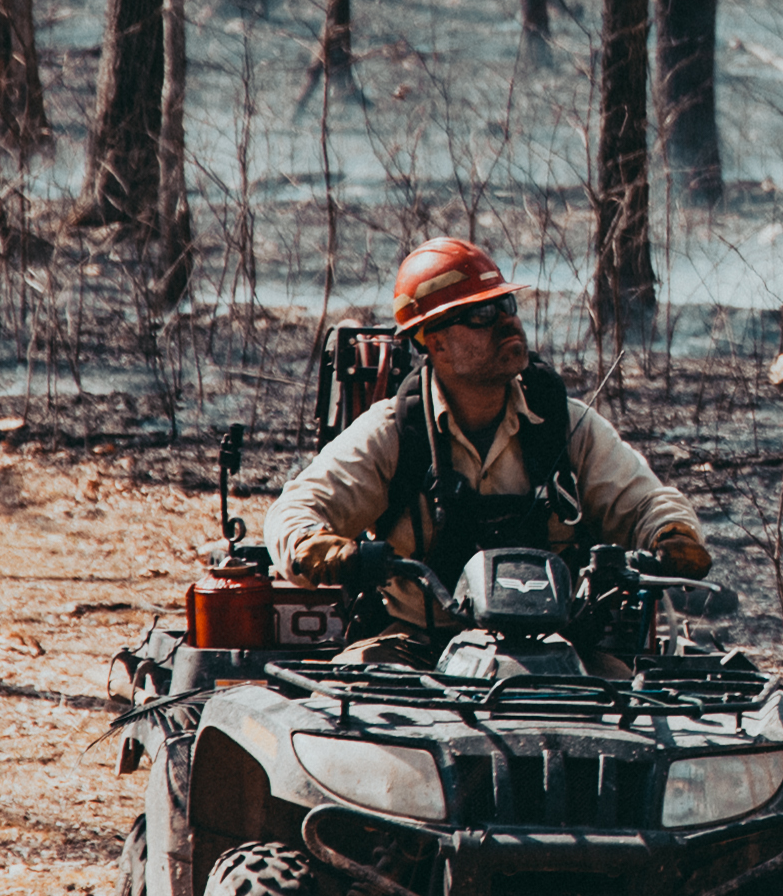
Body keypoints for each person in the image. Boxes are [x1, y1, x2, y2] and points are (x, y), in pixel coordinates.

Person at [264, 236, 711, 632]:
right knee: (356, 715)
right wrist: (320, 549)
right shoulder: (395, 434)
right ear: (434, 343)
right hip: (419, 647)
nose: (507, 323)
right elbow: (294, 512)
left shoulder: (564, 425)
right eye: (480, 314)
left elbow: (646, 502)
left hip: (559, 648)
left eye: (506, 306)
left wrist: (672, 535)